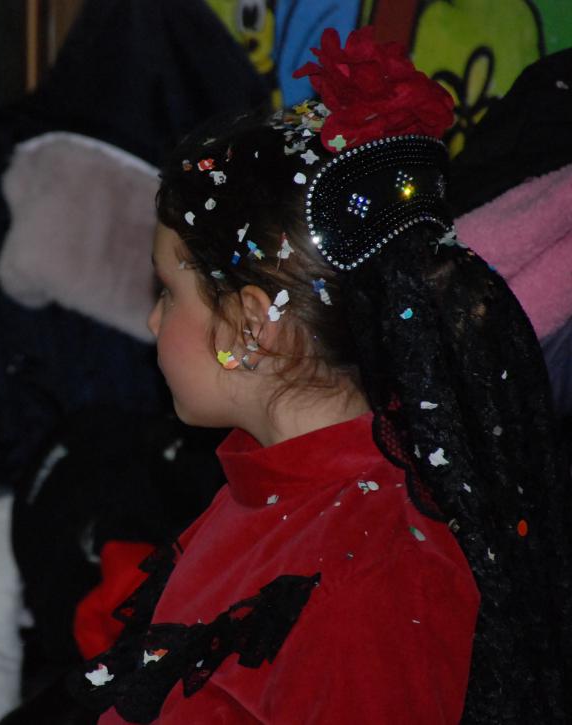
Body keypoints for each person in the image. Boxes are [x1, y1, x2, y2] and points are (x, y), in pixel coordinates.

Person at [69, 27, 570, 724]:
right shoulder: (266, 485)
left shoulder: (373, 577)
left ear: (250, 325)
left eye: (168, 293)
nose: (154, 321)